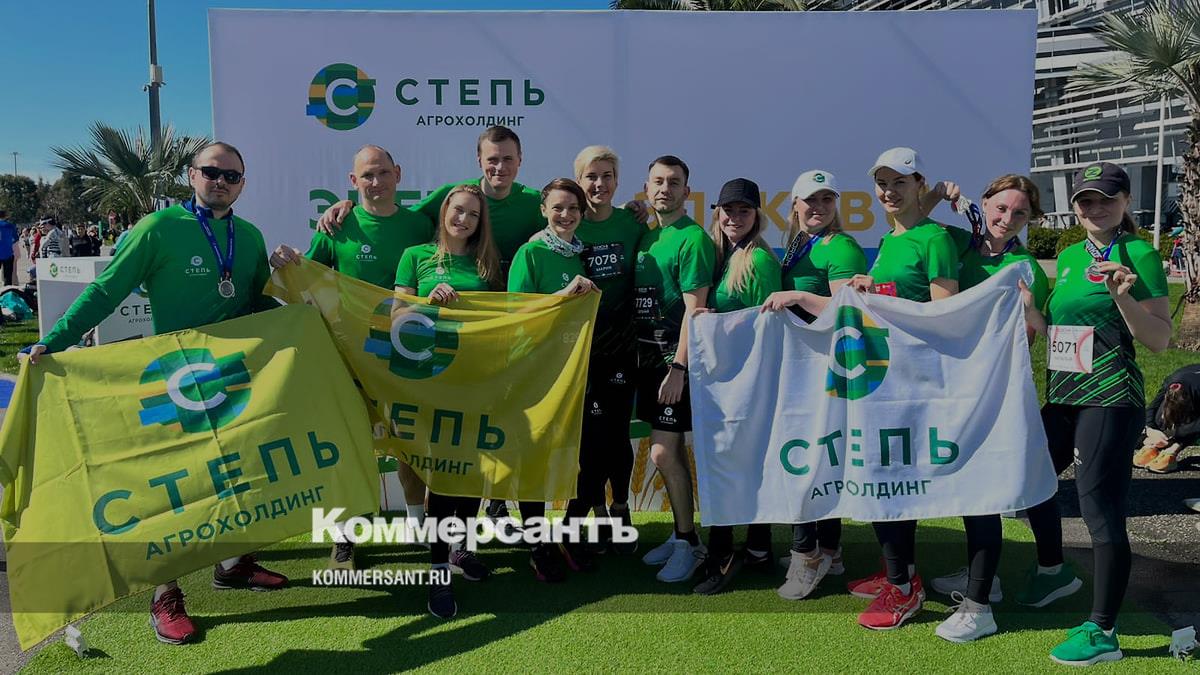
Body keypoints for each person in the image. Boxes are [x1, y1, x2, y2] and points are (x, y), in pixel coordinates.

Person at [24, 142, 288, 646]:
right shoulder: (158, 228)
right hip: (174, 380)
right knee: (175, 490)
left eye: (232, 176)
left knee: (234, 474)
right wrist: (52, 341)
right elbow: (106, 290)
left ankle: (233, 564)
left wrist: (306, 313)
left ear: (243, 183)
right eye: (211, 172)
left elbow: (257, 301)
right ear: (191, 175)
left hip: (233, 378)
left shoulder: (250, 236)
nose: (221, 181)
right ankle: (165, 594)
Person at [1020, 162, 1171, 666]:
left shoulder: (1139, 254)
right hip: (1064, 396)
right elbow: (1059, 329)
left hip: (1109, 400)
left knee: (1098, 510)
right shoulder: (1068, 257)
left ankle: (1104, 630)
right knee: (1030, 479)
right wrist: (1029, 310)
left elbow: (1159, 339)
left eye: (1107, 198)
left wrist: (1122, 298)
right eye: (1086, 200)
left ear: (1126, 202)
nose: (1095, 207)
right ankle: (1054, 572)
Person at [270, 145, 436, 570]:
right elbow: (303, 275)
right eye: (367, 176)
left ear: (398, 174)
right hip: (347, 358)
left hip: (404, 356)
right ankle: (344, 537)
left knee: (410, 445)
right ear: (353, 181)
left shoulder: (421, 224)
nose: (376, 182)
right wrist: (284, 261)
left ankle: (417, 526)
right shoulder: (337, 226)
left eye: (383, 173)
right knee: (348, 446)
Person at [917, 174, 1049, 642]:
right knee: (968, 488)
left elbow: (1032, 335)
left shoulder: (1024, 265)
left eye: (1020, 213)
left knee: (983, 490)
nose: (1007, 219)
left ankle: (979, 607)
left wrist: (1028, 309)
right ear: (985, 203)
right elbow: (913, 222)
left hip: (993, 393)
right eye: (1001, 208)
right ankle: (983, 580)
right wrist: (938, 195)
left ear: (1029, 219)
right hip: (951, 387)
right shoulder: (958, 242)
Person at [849, 147, 959, 631]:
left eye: (900, 182)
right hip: (881, 378)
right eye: (883, 183)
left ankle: (904, 587)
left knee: (891, 481)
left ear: (919, 185)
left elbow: (944, 315)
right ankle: (898, 571)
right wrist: (869, 287)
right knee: (881, 477)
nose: (889, 191)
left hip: (913, 383)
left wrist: (885, 297)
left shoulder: (935, 239)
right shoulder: (891, 238)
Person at [394, 182, 502, 619]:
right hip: (432, 380)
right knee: (443, 475)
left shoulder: (487, 262)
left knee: (473, 472)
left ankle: (461, 548)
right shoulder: (415, 255)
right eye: (458, 210)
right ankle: (438, 572)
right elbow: (396, 314)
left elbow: (508, 315)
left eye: (473, 214)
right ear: (444, 212)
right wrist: (426, 300)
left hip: (477, 380)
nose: (464, 219)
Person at [760, 169, 867, 601]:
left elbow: (850, 310)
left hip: (824, 371)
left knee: (803, 461)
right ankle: (830, 551)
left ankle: (807, 556)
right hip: (804, 369)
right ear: (795, 206)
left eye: (827, 199)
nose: (819, 207)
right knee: (818, 458)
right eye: (811, 200)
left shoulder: (840, 245)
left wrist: (799, 297)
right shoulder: (800, 244)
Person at [690, 178, 780, 595]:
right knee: (738, 462)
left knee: (732, 463)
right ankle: (758, 549)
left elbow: (767, 325)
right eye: (728, 210)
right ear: (717, 212)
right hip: (726, 380)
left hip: (748, 382)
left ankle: (723, 554)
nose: (735, 217)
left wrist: (716, 324)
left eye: (744, 211)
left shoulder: (758, 259)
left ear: (757, 216)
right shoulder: (722, 254)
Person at [507, 177, 600, 582]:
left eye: (573, 208)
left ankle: (565, 532)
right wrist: (564, 296)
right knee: (535, 462)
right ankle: (537, 545)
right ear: (544, 210)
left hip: (574, 370)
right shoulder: (530, 253)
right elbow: (516, 313)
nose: (565, 215)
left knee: (591, 458)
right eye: (558, 207)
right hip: (534, 372)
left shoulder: (582, 254)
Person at [634, 155, 716, 583]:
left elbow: (694, 310)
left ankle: (690, 543)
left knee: (663, 452)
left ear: (687, 190)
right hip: (647, 363)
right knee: (668, 452)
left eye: (674, 182)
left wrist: (679, 367)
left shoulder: (694, 238)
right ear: (647, 188)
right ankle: (683, 533)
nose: (665, 188)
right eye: (658, 181)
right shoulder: (647, 237)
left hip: (675, 365)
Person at [568, 146, 646, 556]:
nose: (599, 184)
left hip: (624, 346)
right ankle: (597, 510)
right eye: (591, 176)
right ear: (579, 180)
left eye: (607, 176)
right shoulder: (568, 224)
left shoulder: (632, 223)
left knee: (617, 434)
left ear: (617, 180)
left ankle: (620, 508)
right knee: (590, 439)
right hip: (580, 349)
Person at [1135, 365, 1200, 474]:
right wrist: (1151, 430)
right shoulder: (1170, 382)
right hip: (1190, 384)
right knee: (1162, 418)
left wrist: (1175, 439)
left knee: (1192, 425)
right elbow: (1153, 407)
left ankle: (1172, 451)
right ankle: (1152, 447)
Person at [0, 210, 16, 286]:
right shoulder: (10, 225)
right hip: (8, 253)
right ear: (5, 216)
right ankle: (7, 290)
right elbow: (15, 238)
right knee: (8, 276)